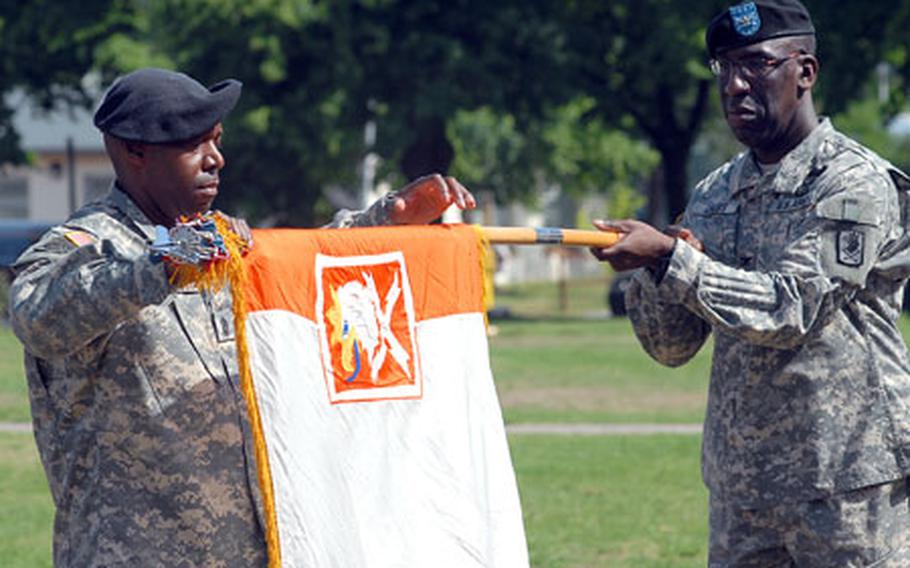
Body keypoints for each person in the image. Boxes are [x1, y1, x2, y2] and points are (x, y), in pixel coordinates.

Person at [7, 67, 475, 567]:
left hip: (252, 550)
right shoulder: (87, 246)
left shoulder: (219, 241)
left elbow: (302, 264)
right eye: (194, 146)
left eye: (217, 141)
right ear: (133, 152)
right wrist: (163, 265)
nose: (216, 160)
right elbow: (38, 316)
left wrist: (388, 220)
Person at [591, 1, 910, 565]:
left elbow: (796, 310)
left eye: (756, 65)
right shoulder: (715, 193)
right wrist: (650, 272)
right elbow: (672, 347)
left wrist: (673, 259)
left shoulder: (853, 182)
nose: (735, 86)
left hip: (847, 485)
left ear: (804, 72)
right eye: (724, 69)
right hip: (744, 490)